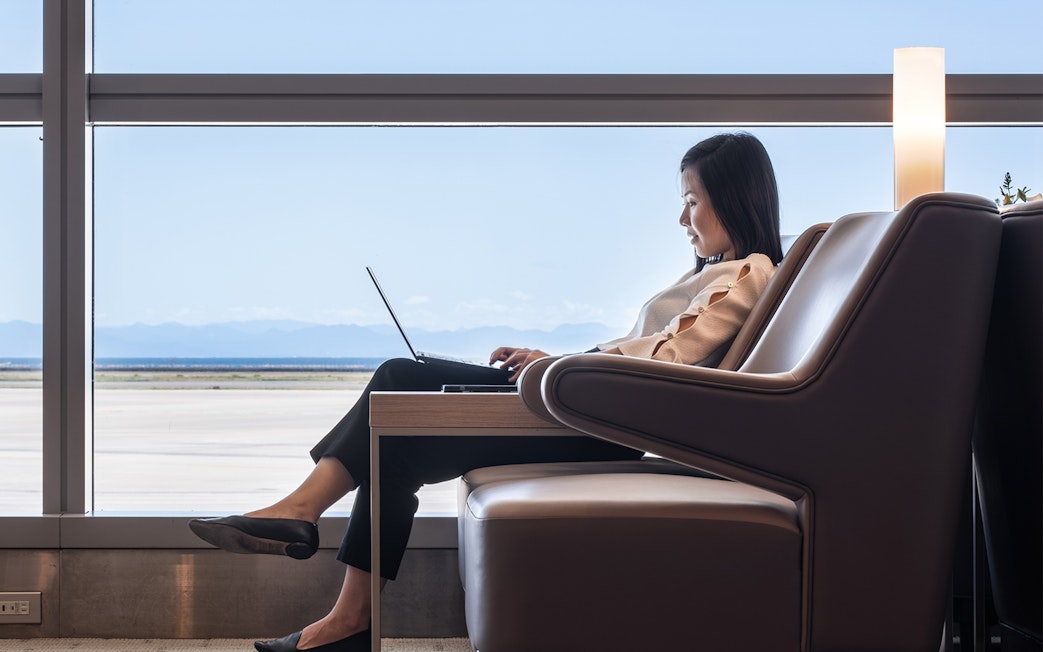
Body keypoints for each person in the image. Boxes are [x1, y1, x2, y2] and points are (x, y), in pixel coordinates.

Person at [189, 131, 785, 652]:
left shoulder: (750, 271)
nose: (683, 219)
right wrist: (556, 362)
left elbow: (669, 357)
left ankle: (302, 512)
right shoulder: (713, 272)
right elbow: (651, 350)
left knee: (399, 375)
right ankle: (348, 621)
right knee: (391, 449)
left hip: (606, 422)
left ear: (731, 198)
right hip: (592, 403)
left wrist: (566, 365)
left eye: (691, 201)